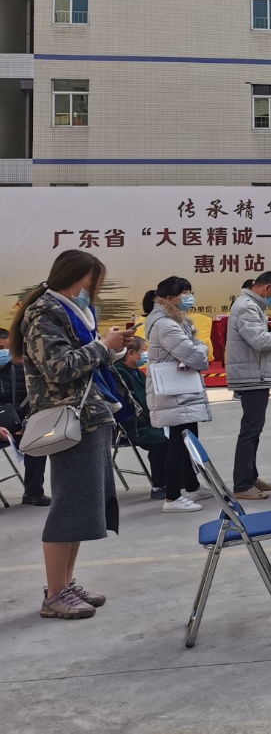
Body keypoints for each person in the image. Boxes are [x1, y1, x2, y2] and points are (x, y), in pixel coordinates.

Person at [12, 250, 137, 619]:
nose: (94, 289)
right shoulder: (44, 314)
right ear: (76, 278)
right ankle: (54, 594)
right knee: (69, 506)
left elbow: (84, 362)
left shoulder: (70, 311)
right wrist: (102, 346)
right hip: (71, 419)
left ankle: (64, 585)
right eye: (92, 280)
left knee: (83, 508)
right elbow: (59, 367)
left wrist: (112, 349)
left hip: (90, 417)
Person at [144, 278, 213, 513]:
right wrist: (201, 348)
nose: (189, 297)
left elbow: (192, 348)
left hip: (181, 390)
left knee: (187, 440)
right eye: (185, 293)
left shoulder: (174, 320)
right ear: (170, 298)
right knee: (179, 444)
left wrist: (197, 348)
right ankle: (172, 497)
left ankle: (192, 486)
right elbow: (195, 355)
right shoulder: (166, 324)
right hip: (175, 391)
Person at [225, 271, 271, 500]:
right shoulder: (246, 307)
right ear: (267, 288)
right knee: (250, 430)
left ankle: (251, 477)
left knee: (254, 430)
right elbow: (260, 341)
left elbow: (258, 344)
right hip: (251, 376)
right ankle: (242, 485)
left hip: (254, 372)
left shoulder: (252, 306)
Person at [111, 337, 168, 499]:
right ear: (131, 353)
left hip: (148, 419)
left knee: (177, 435)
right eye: (143, 349)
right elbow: (128, 406)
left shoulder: (135, 371)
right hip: (134, 424)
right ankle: (158, 486)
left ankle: (177, 479)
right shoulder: (119, 373)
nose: (146, 354)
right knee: (161, 441)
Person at [0, 326, 48, 506]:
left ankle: (33, 493)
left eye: (7, 348)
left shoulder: (24, 368)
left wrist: (27, 424)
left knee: (38, 439)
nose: (4, 352)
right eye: (0, 349)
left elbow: (33, 400)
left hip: (18, 424)